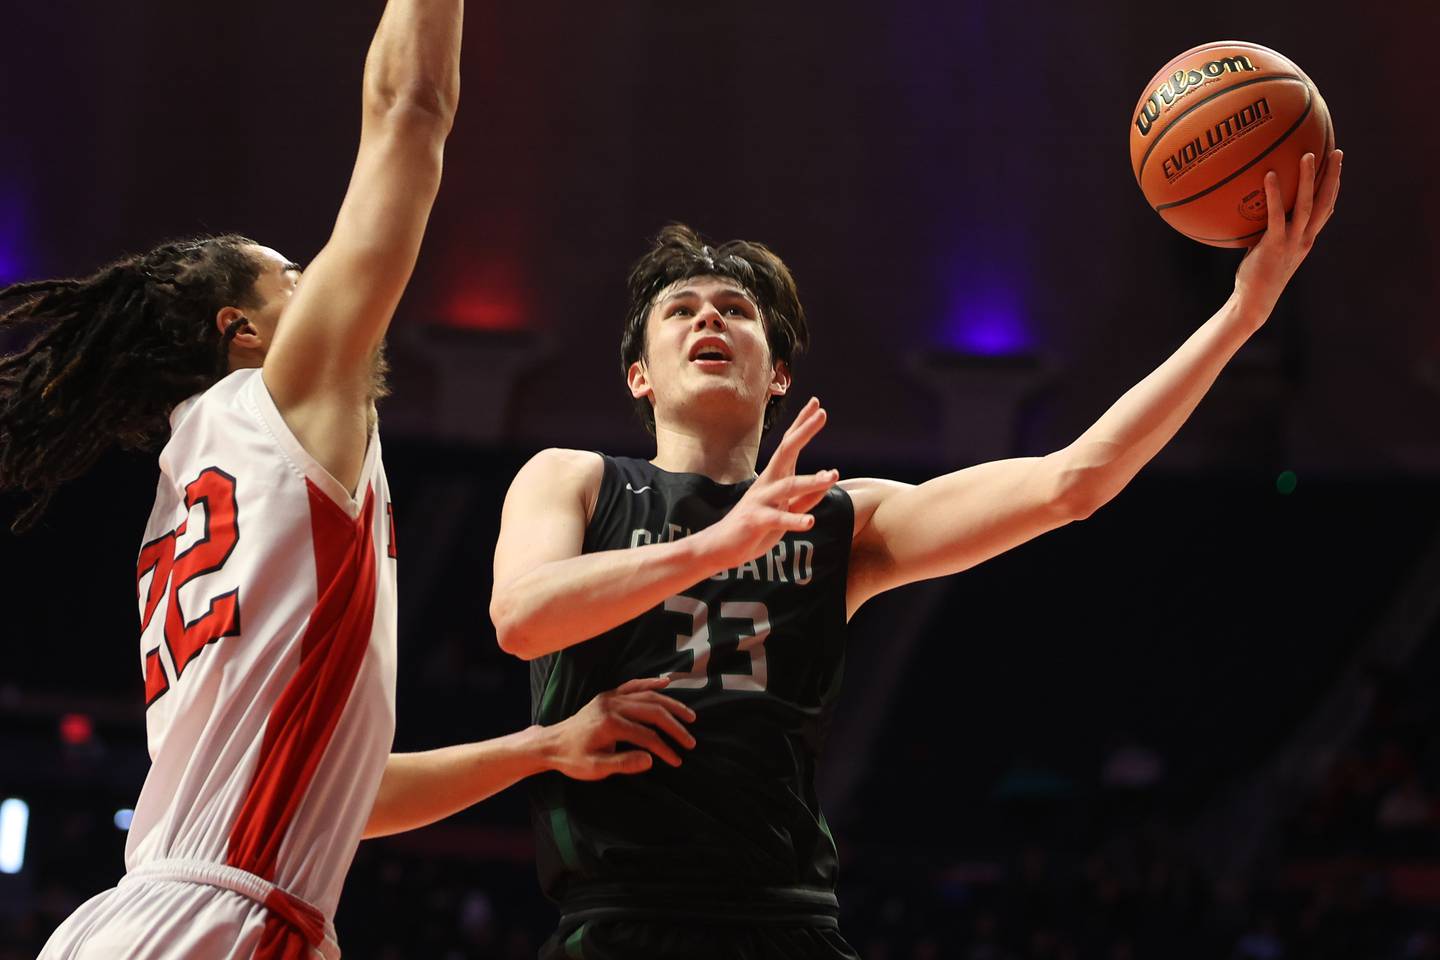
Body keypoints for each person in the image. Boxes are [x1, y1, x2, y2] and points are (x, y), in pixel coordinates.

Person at [490, 152, 1343, 958]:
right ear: (640, 374)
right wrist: (718, 544)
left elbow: (1072, 484)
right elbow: (523, 620)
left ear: (777, 374)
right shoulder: (575, 480)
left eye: (737, 310)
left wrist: (1243, 315)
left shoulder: (840, 521)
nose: (709, 315)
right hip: (618, 919)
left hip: (787, 924)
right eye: (680, 310)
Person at [0, 3, 693, 956]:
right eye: (291, 276)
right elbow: (410, 108)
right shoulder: (277, 406)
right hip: (219, 923)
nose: (321, 282)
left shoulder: (193, 471)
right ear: (237, 333)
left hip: (161, 914)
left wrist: (542, 746)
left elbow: (345, 798)